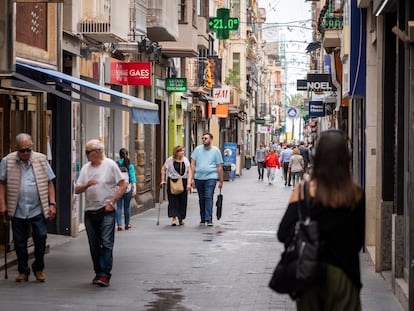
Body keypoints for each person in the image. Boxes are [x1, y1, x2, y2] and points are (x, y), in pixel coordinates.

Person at [277, 129, 365, 311]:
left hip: (309, 273)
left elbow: (283, 232)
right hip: (344, 274)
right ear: (346, 157)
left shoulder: (303, 191)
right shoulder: (355, 193)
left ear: (316, 156)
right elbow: (358, 241)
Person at [0, 133, 57, 282]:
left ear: (32, 147)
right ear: (16, 149)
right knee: (19, 242)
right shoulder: (7, 161)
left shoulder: (41, 160)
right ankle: (23, 270)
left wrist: (52, 204)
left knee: (41, 238)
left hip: (37, 208)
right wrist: (3, 204)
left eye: (28, 150)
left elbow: (50, 182)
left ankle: (38, 268)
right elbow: (2, 183)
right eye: (22, 150)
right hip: (17, 208)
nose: (26, 153)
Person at [75, 139, 127, 287]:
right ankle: (98, 272)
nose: (86, 155)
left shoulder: (110, 165)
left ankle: (104, 274)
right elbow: (77, 189)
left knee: (106, 242)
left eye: (87, 152)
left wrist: (112, 202)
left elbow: (123, 185)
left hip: (106, 210)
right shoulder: (86, 168)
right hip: (90, 211)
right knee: (94, 244)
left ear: (97, 152)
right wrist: (86, 184)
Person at [190, 132, 224, 226]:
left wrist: (220, 180)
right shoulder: (197, 150)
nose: (204, 140)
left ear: (211, 139)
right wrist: (191, 178)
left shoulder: (216, 151)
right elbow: (192, 164)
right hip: (198, 177)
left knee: (208, 196)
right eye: (203, 138)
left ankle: (209, 219)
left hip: (211, 177)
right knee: (201, 198)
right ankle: (203, 218)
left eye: (206, 138)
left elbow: (219, 166)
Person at [161, 145, 192, 226]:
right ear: (176, 152)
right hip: (172, 181)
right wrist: (163, 180)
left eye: (183, 151)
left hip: (183, 181)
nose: (183, 152)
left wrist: (189, 183)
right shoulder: (170, 160)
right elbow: (163, 169)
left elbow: (189, 171)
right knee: (173, 200)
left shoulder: (185, 160)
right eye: (181, 151)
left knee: (183, 200)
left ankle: (181, 218)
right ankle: (174, 218)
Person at [116, 148, 137, 231]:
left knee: (119, 206)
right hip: (127, 188)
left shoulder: (116, 164)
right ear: (127, 154)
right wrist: (134, 188)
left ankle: (119, 224)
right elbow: (132, 178)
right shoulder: (130, 165)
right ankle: (127, 224)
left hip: (118, 188)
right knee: (127, 207)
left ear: (119, 155)